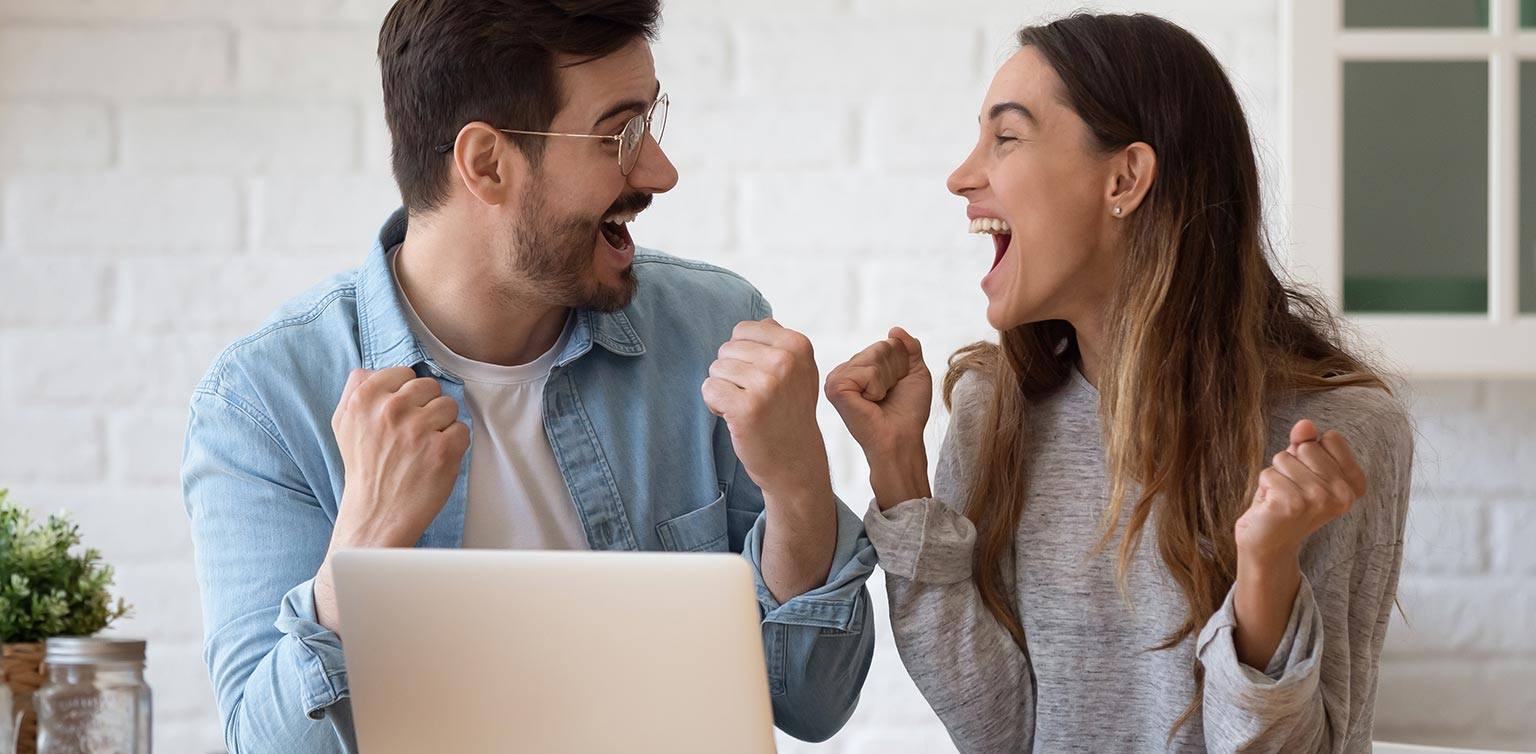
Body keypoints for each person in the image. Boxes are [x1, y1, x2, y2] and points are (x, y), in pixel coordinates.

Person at [181, 2, 875, 752]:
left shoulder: (715, 332)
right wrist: (366, 544)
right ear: (486, 164)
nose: (660, 171)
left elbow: (813, 701)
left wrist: (799, 486)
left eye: (652, 121)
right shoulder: (265, 404)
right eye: (620, 134)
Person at [824, 12, 1411, 753]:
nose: (961, 176)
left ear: (1125, 178)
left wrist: (1265, 573)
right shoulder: (996, 409)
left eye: (1004, 137)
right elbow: (999, 734)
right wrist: (899, 473)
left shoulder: (1338, 439)